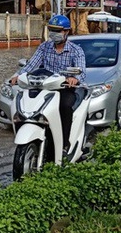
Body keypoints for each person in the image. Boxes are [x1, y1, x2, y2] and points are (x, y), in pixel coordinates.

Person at [10, 14, 86, 145]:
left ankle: (64, 142)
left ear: (66, 31)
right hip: (43, 88)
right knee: (24, 105)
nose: (54, 34)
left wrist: (74, 78)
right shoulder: (44, 47)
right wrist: (17, 76)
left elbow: (81, 71)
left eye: (58, 31)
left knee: (65, 106)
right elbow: (31, 65)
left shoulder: (76, 51)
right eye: (52, 30)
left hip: (63, 89)